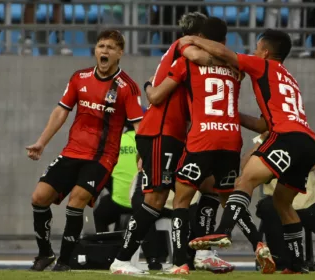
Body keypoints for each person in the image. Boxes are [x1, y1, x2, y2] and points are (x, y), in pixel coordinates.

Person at [185, 28, 315, 274]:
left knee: (245, 180)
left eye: (257, 48)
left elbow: (227, 54)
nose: (254, 52)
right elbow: (262, 125)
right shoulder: (287, 77)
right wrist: (229, 115)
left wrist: (194, 39)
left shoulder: (264, 65)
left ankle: (222, 233)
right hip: (308, 143)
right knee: (283, 203)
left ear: (265, 52)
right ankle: (299, 265)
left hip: (286, 137)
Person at [110, 12, 232, 276]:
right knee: (156, 198)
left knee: (210, 184)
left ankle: (202, 253)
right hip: (160, 132)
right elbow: (155, 97)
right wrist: (227, 61)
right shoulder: (184, 48)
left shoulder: (185, 56)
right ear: (197, 37)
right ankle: (122, 259)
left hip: (180, 135)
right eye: (207, 39)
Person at [143, 17, 261, 275]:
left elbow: (156, 96)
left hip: (201, 138)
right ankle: (259, 246)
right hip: (231, 140)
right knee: (228, 198)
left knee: (181, 201)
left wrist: (149, 84)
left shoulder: (186, 61)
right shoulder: (236, 66)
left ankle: (178, 263)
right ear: (225, 41)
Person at [26, 29, 144, 271]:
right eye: (101, 46)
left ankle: (65, 262)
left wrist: (143, 156)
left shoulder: (127, 87)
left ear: (119, 53)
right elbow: (61, 111)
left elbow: (139, 126)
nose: (104, 51)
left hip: (102, 158)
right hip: (72, 152)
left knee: (76, 201)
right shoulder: (79, 77)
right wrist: (41, 142)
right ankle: (45, 253)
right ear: (95, 50)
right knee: (39, 197)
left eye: (110, 47)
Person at [246, 133, 315, 270]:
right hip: (279, 201)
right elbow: (246, 168)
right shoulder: (265, 142)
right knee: (269, 208)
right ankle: (281, 264)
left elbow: (313, 163)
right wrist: (261, 140)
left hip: (310, 201)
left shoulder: (300, 137)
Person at [93, 122, 138, 233]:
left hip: (119, 202)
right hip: (142, 203)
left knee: (99, 214)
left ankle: (103, 244)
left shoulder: (117, 141)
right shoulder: (150, 143)